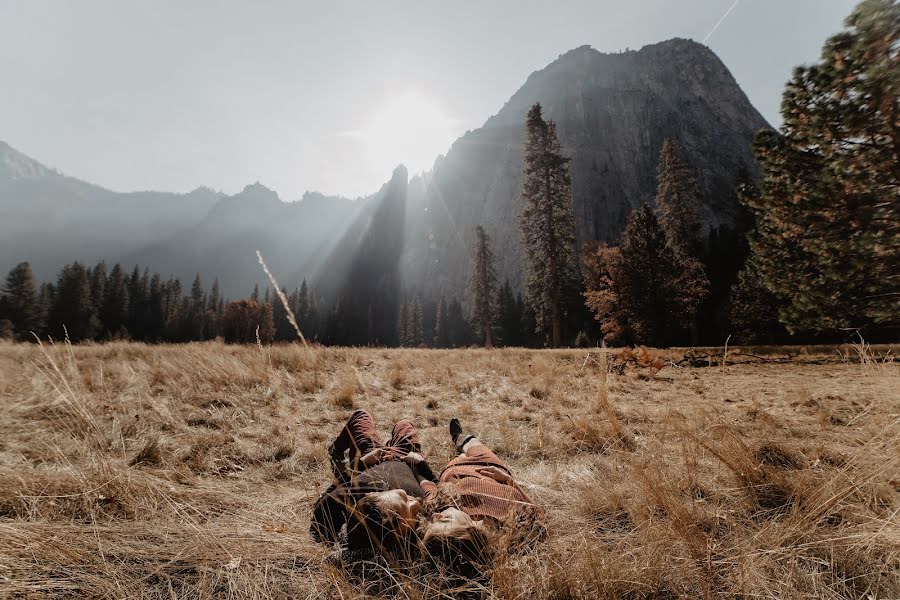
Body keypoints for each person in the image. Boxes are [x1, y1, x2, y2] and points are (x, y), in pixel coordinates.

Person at [412, 418, 546, 573]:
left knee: (466, 449)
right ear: (468, 531)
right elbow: (538, 513)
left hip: (455, 471)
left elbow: (430, 490)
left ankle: (459, 439)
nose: (435, 515)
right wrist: (509, 481)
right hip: (489, 468)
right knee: (474, 444)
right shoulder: (511, 531)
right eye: (444, 520)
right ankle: (463, 440)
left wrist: (417, 468)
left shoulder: (442, 513)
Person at [310, 409, 437, 561]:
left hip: (373, 457)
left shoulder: (360, 491)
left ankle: (336, 448)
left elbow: (321, 511)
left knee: (361, 416)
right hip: (407, 458)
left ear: (374, 495)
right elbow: (439, 491)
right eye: (408, 501)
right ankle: (392, 443)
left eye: (402, 497)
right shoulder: (423, 529)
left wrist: (361, 463)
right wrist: (422, 466)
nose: (415, 502)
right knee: (404, 424)